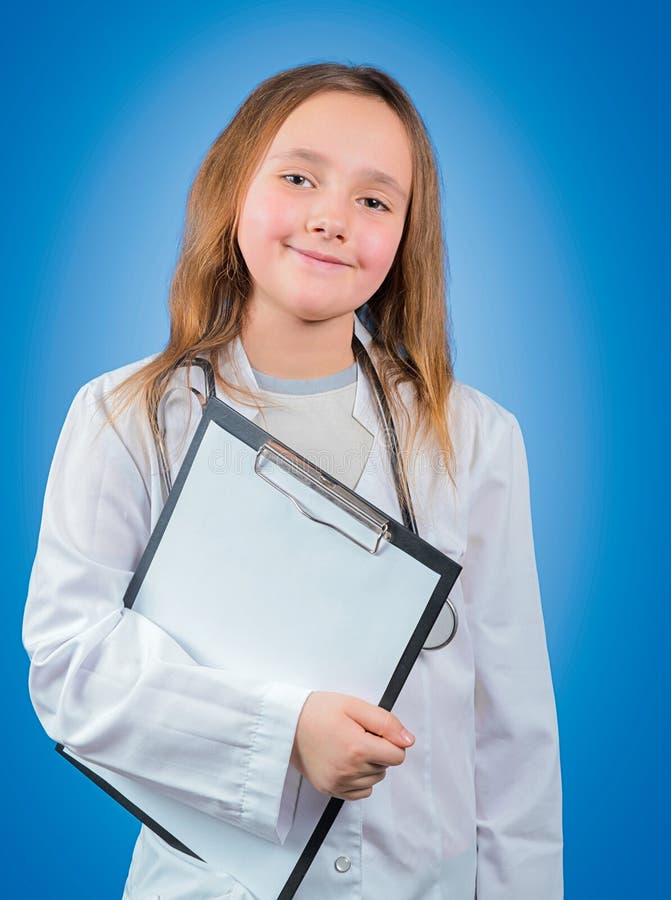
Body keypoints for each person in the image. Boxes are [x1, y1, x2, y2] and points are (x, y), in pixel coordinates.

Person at [23, 63, 563, 898]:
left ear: (405, 236)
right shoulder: (124, 416)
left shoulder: (475, 438)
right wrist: (280, 735)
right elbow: (71, 664)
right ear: (234, 187)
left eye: (374, 201)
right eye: (300, 177)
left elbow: (511, 728)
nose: (330, 219)